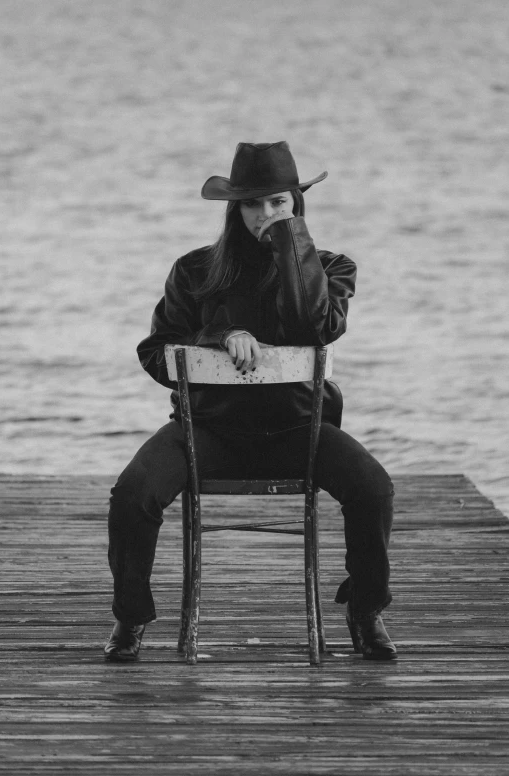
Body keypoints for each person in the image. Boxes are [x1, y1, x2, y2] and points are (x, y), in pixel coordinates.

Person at [104, 141, 397, 662]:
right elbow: (154, 352)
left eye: (278, 203)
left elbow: (316, 326)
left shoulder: (334, 269)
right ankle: (130, 618)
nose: (265, 215)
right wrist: (217, 335)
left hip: (298, 433)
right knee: (132, 494)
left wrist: (290, 242)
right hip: (207, 435)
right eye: (252, 204)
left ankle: (365, 611)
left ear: (296, 205)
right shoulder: (195, 271)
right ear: (233, 210)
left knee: (373, 489)